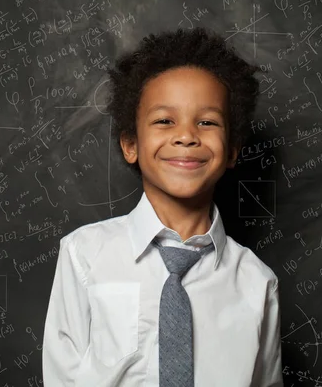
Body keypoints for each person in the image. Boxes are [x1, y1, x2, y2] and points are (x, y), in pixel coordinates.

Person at [42, 28, 283, 386]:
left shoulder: (257, 282)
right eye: (164, 120)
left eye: (207, 121)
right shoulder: (84, 256)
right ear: (130, 145)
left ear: (232, 150)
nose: (186, 135)